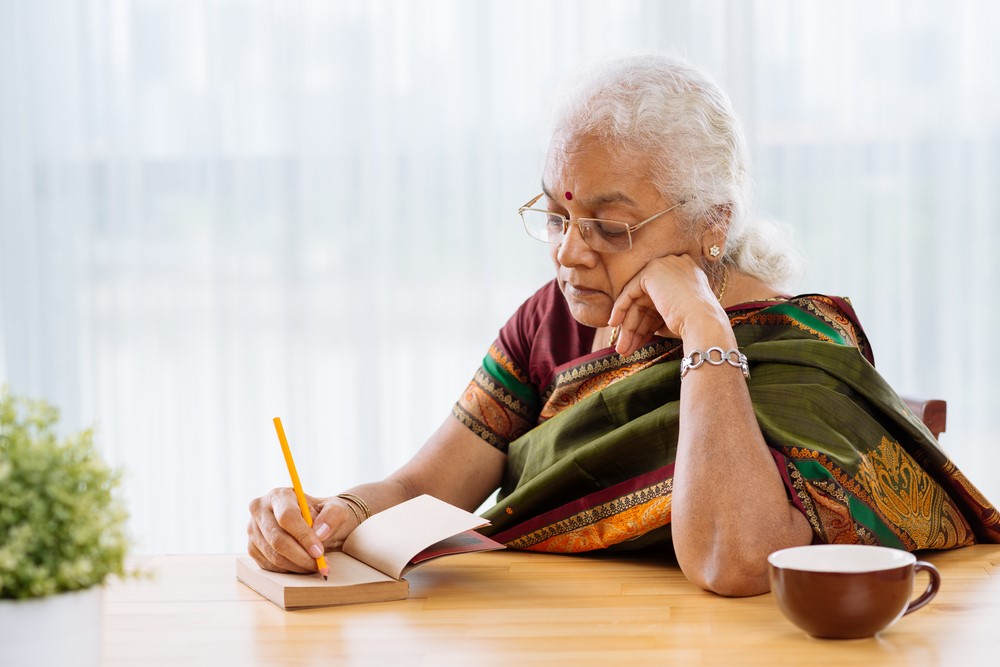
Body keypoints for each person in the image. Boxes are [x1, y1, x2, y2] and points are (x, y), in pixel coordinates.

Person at [248, 54, 1000, 597]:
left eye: (608, 225)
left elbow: (735, 558)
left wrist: (704, 326)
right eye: (554, 214)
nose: (569, 253)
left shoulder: (800, 348)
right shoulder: (555, 319)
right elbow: (425, 488)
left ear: (713, 224)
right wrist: (332, 513)